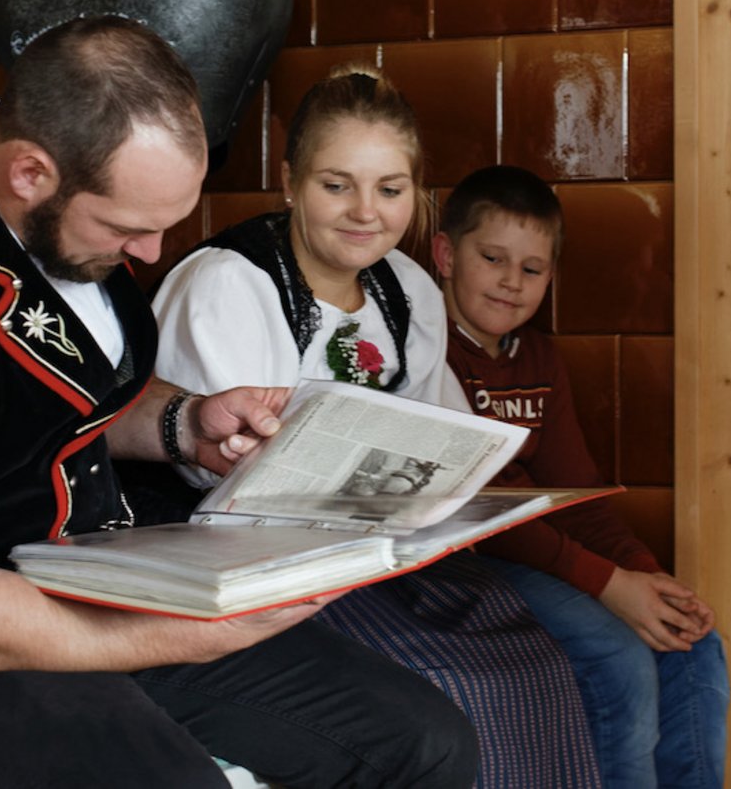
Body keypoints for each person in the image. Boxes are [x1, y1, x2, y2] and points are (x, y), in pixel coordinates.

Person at [0, 17, 480, 789]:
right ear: (31, 171)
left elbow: (60, 404)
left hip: (85, 586)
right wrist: (184, 633)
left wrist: (183, 422)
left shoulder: (56, 217)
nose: (149, 256)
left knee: (424, 741)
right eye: (130, 229)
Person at [151, 67, 602, 789]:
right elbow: (214, 467)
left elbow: (445, 426)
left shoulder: (408, 288)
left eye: (390, 190)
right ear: (292, 180)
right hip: (254, 562)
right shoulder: (228, 283)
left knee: (535, 666)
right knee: (453, 687)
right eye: (337, 185)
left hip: (377, 548)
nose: (366, 212)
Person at [434, 165, 730, 789]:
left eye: (533, 269)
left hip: (545, 553)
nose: (512, 283)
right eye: (493, 258)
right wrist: (608, 584)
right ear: (445, 254)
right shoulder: (427, 349)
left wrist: (646, 576)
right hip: (468, 557)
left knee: (693, 643)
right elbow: (476, 511)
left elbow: (576, 493)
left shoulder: (538, 357)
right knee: (619, 656)